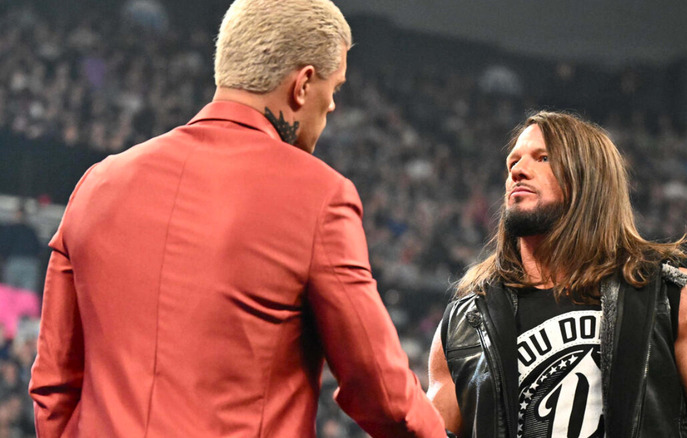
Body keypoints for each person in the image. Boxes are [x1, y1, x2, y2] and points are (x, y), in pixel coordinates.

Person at [29, 1, 445, 437]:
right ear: (303, 85)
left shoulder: (98, 183)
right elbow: (380, 389)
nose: (333, 106)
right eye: (334, 89)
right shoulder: (319, 195)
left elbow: (54, 382)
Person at [427, 111, 687, 438]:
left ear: (588, 179)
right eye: (513, 162)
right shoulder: (465, 323)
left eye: (542, 158)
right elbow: (427, 430)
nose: (518, 171)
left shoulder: (671, 297)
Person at [0, 206, 42, 293]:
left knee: (10, 293)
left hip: (13, 262)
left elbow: (4, 246)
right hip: (31, 263)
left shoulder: (9, 229)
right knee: (27, 294)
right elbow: (38, 249)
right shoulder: (31, 231)